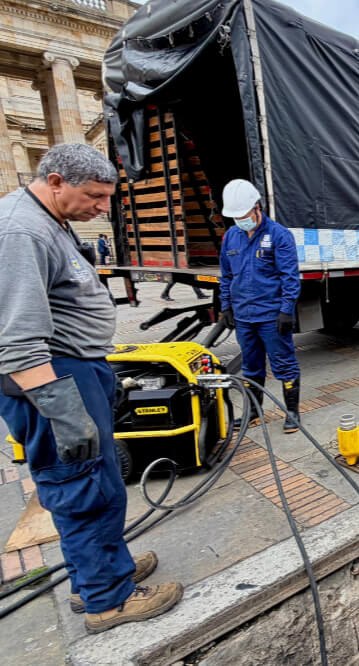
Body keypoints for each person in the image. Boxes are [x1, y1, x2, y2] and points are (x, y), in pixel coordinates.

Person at [0, 144, 183, 633]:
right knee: (82, 486)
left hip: (75, 371)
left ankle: (99, 574)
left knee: (95, 481)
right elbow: (16, 341)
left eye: (108, 197)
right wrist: (65, 409)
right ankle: (108, 601)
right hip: (51, 379)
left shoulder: (48, 220)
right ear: (56, 181)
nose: (103, 208)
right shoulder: (21, 231)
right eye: (95, 196)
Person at [218, 179, 302, 434]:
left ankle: (292, 412)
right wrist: (226, 307)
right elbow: (226, 275)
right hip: (244, 316)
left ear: (257, 207)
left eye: (242, 215)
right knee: (251, 367)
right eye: (234, 217)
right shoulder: (231, 237)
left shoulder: (279, 235)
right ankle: (254, 411)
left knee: (284, 365)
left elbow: (290, 276)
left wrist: (286, 310)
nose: (239, 221)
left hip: (271, 316)